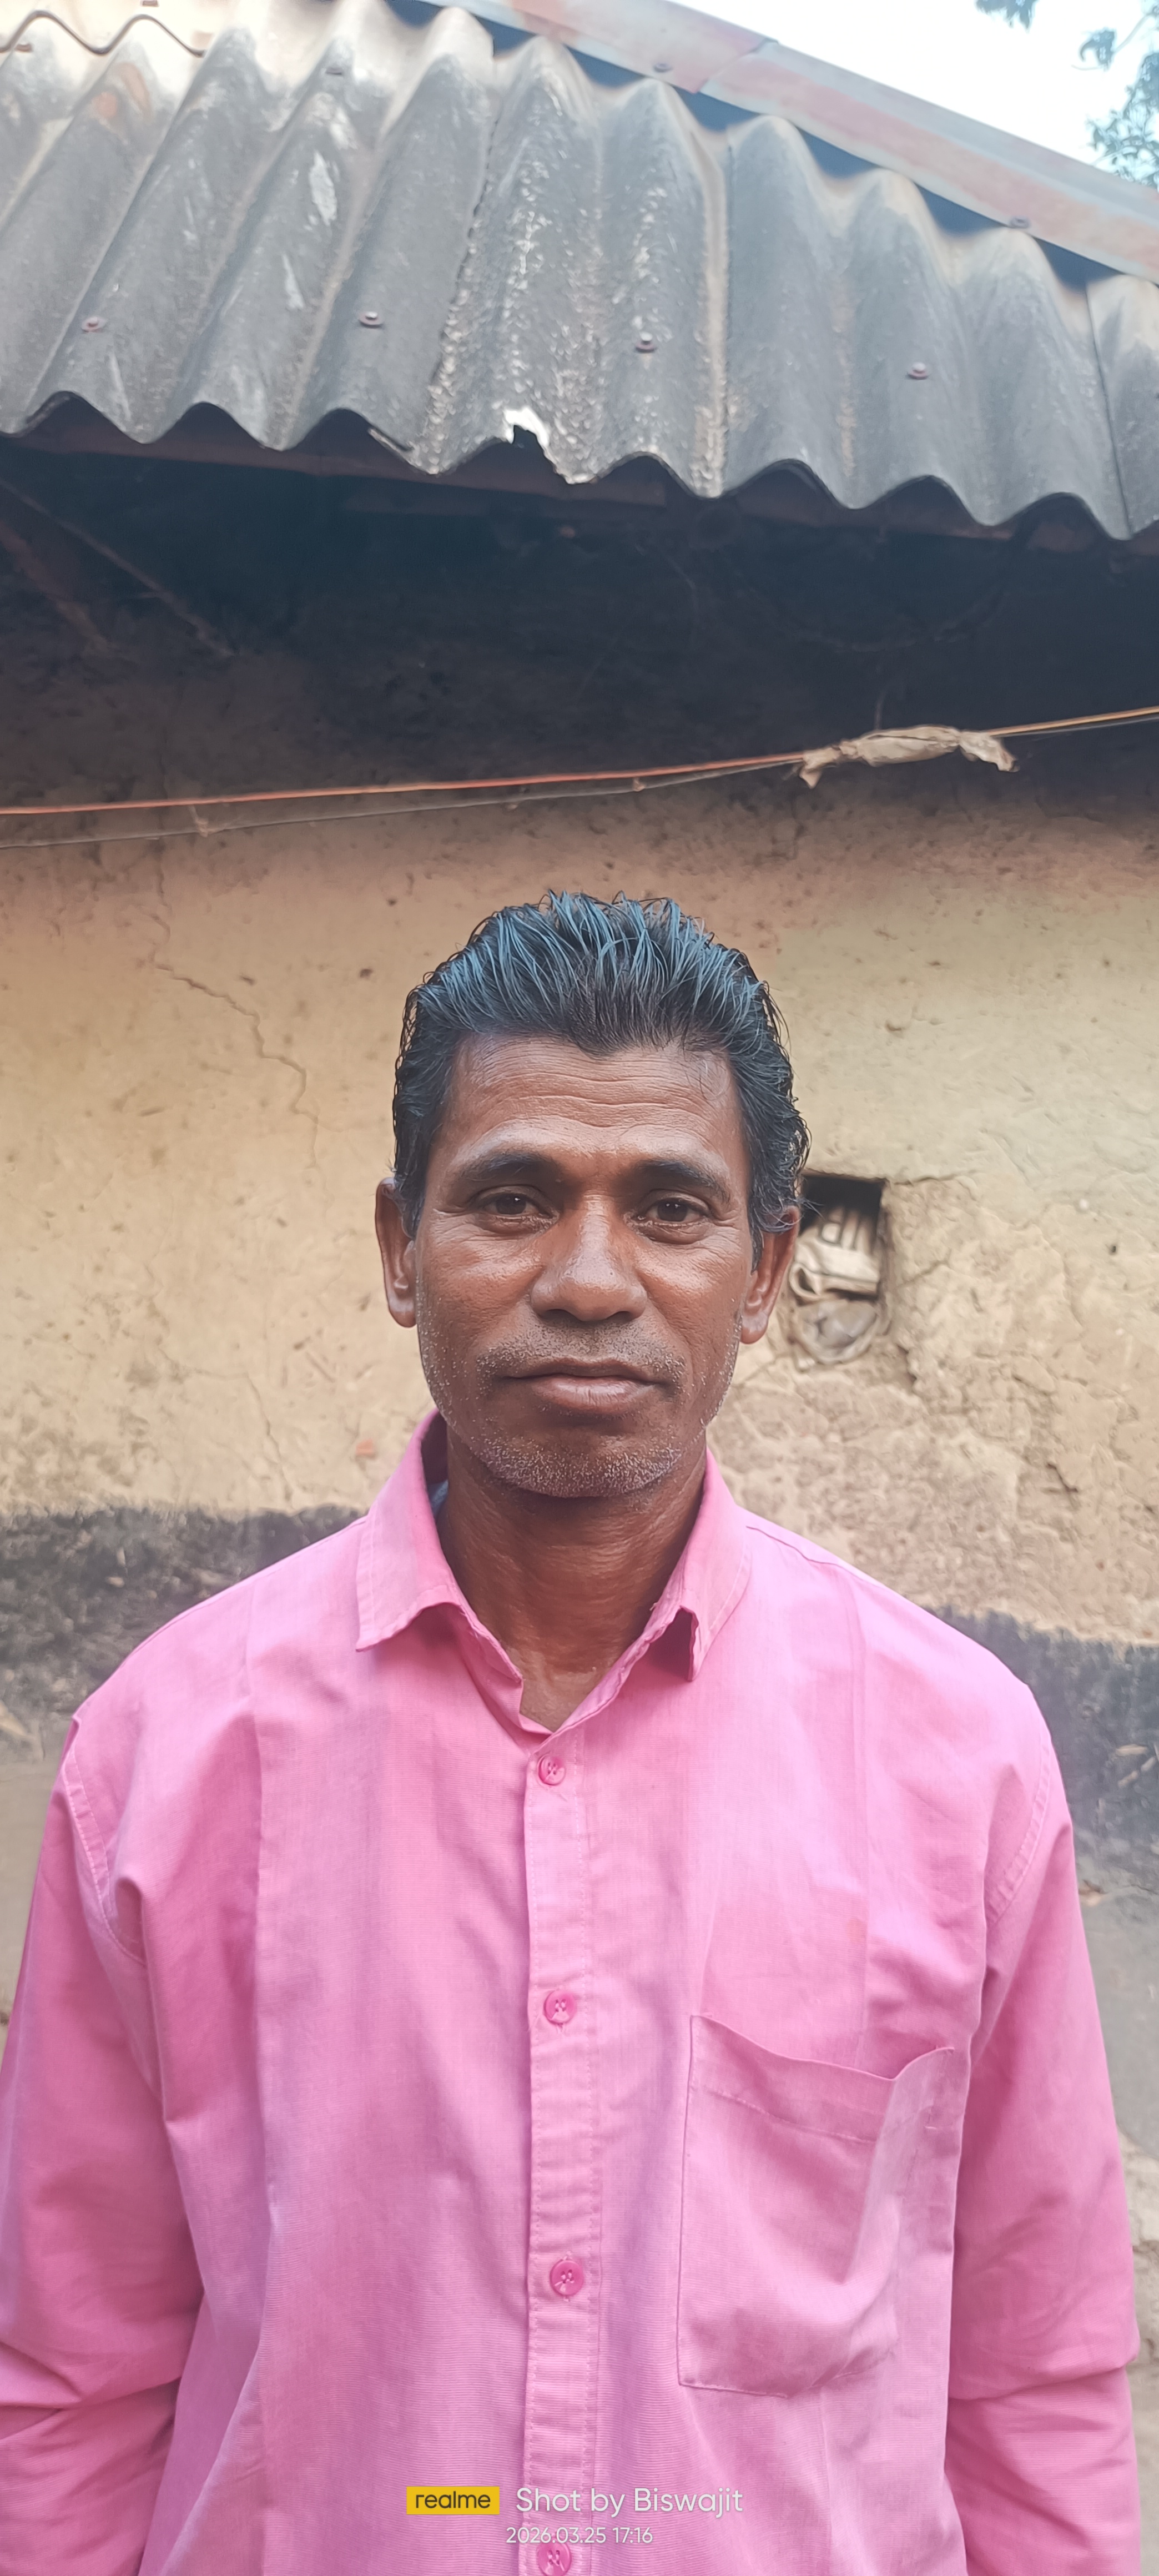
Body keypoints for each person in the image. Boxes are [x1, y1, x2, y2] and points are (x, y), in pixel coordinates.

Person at [0, 892, 1138, 2575]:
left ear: (762, 1273)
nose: (591, 1280)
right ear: (403, 1250)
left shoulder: (960, 1760)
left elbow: (1035, 2381)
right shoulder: (158, 1759)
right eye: (514, 1199)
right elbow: (69, 2379)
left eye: (670, 1209)